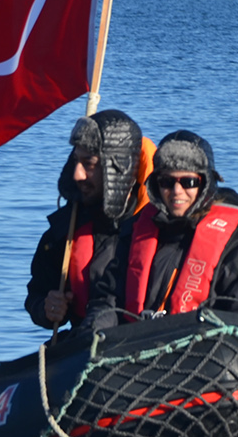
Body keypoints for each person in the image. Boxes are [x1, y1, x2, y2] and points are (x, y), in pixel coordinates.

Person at [86, 130, 238, 329]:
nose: (176, 191)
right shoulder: (133, 235)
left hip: (208, 352)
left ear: (205, 184)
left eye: (188, 182)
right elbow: (107, 301)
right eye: (167, 182)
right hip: (136, 350)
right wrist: (95, 331)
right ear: (156, 185)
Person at [24, 110, 154, 330]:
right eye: (76, 161)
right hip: (85, 347)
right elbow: (37, 293)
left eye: (89, 163)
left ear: (118, 167)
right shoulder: (66, 228)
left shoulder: (160, 227)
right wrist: (46, 308)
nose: (78, 175)